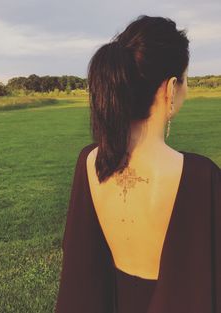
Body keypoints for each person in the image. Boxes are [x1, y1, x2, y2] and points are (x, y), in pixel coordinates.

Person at [54, 15, 221, 313]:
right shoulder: (201, 177)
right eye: (185, 80)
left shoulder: (90, 162)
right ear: (170, 88)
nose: (187, 91)